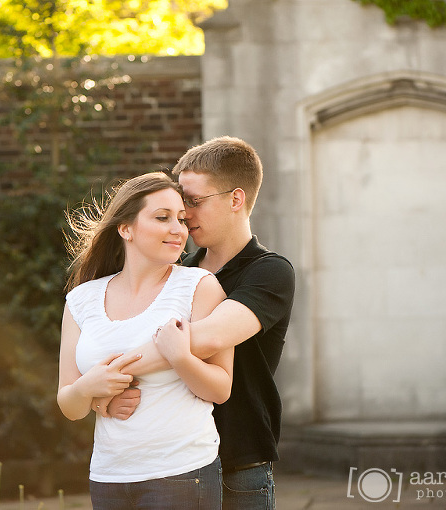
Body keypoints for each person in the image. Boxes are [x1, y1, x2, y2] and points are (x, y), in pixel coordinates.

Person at [102, 136, 295, 510]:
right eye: (180, 202)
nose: (185, 214)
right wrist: (100, 396)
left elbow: (205, 339)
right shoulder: (176, 272)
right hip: (171, 461)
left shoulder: (270, 271)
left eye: (194, 201)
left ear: (235, 199)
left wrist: (108, 373)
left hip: (238, 464)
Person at [57, 171, 234, 510]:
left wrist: (181, 358)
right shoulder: (81, 300)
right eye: (162, 217)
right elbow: (69, 404)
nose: (178, 229)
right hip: (109, 476)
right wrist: (89, 388)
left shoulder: (200, 286)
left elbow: (220, 388)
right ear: (126, 229)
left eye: (181, 219)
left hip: (181, 473)